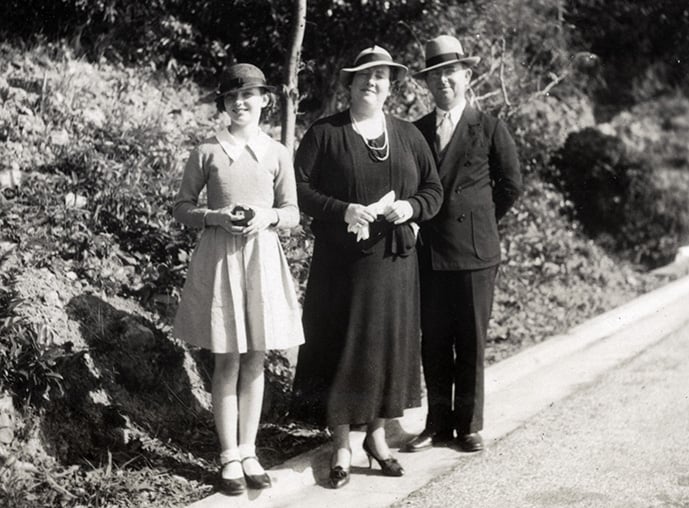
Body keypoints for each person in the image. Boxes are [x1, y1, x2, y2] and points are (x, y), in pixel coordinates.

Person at [291, 45, 443, 488]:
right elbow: (298, 188)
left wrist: (411, 208)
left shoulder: (409, 135)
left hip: (394, 263)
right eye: (364, 76)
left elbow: (433, 189)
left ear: (390, 85)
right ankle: (342, 445)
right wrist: (342, 209)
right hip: (342, 265)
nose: (371, 83)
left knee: (385, 351)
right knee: (344, 347)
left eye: (381, 77)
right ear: (350, 83)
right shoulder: (325, 133)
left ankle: (377, 439)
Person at [172, 63, 304, 496]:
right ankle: (228, 453)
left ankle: (250, 449)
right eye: (232, 98)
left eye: (249, 96)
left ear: (266, 100)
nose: (240, 103)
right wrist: (214, 217)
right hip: (220, 258)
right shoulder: (208, 151)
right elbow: (183, 207)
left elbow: (292, 213)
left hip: (262, 259)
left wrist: (266, 217)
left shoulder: (277, 152)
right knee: (227, 357)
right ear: (224, 105)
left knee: (255, 357)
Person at [402, 35, 522, 454]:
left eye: (450, 73)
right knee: (433, 340)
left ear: (467, 76)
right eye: (434, 76)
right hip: (430, 252)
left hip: (475, 254)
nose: (443, 82)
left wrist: (481, 224)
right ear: (427, 84)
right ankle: (436, 424)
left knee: (470, 340)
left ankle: (469, 425)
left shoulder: (489, 127)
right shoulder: (415, 131)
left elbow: (510, 185)